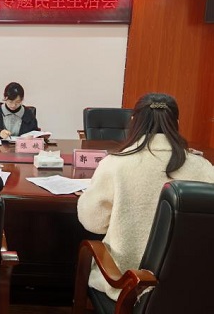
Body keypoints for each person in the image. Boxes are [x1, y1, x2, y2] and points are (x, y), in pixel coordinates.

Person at [77, 93, 214, 302]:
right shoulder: (202, 167)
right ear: (176, 123)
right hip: (192, 288)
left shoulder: (116, 164)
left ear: (133, 121)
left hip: (128, 284)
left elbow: (93, 223)